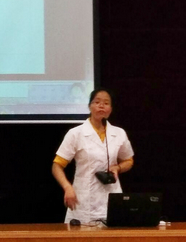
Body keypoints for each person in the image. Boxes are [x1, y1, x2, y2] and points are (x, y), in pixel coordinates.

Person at [51, 88, 134, 223]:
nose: (101, 106)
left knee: (113, 235)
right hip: (83, 199)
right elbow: (57, 166)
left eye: (106, 103)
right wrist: (67, 187)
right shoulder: (76, 133)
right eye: (97, 102)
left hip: (111, 196)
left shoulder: (119, 133)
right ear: (89, 106)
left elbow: (128, 160)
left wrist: (118, 168)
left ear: (111, 109)